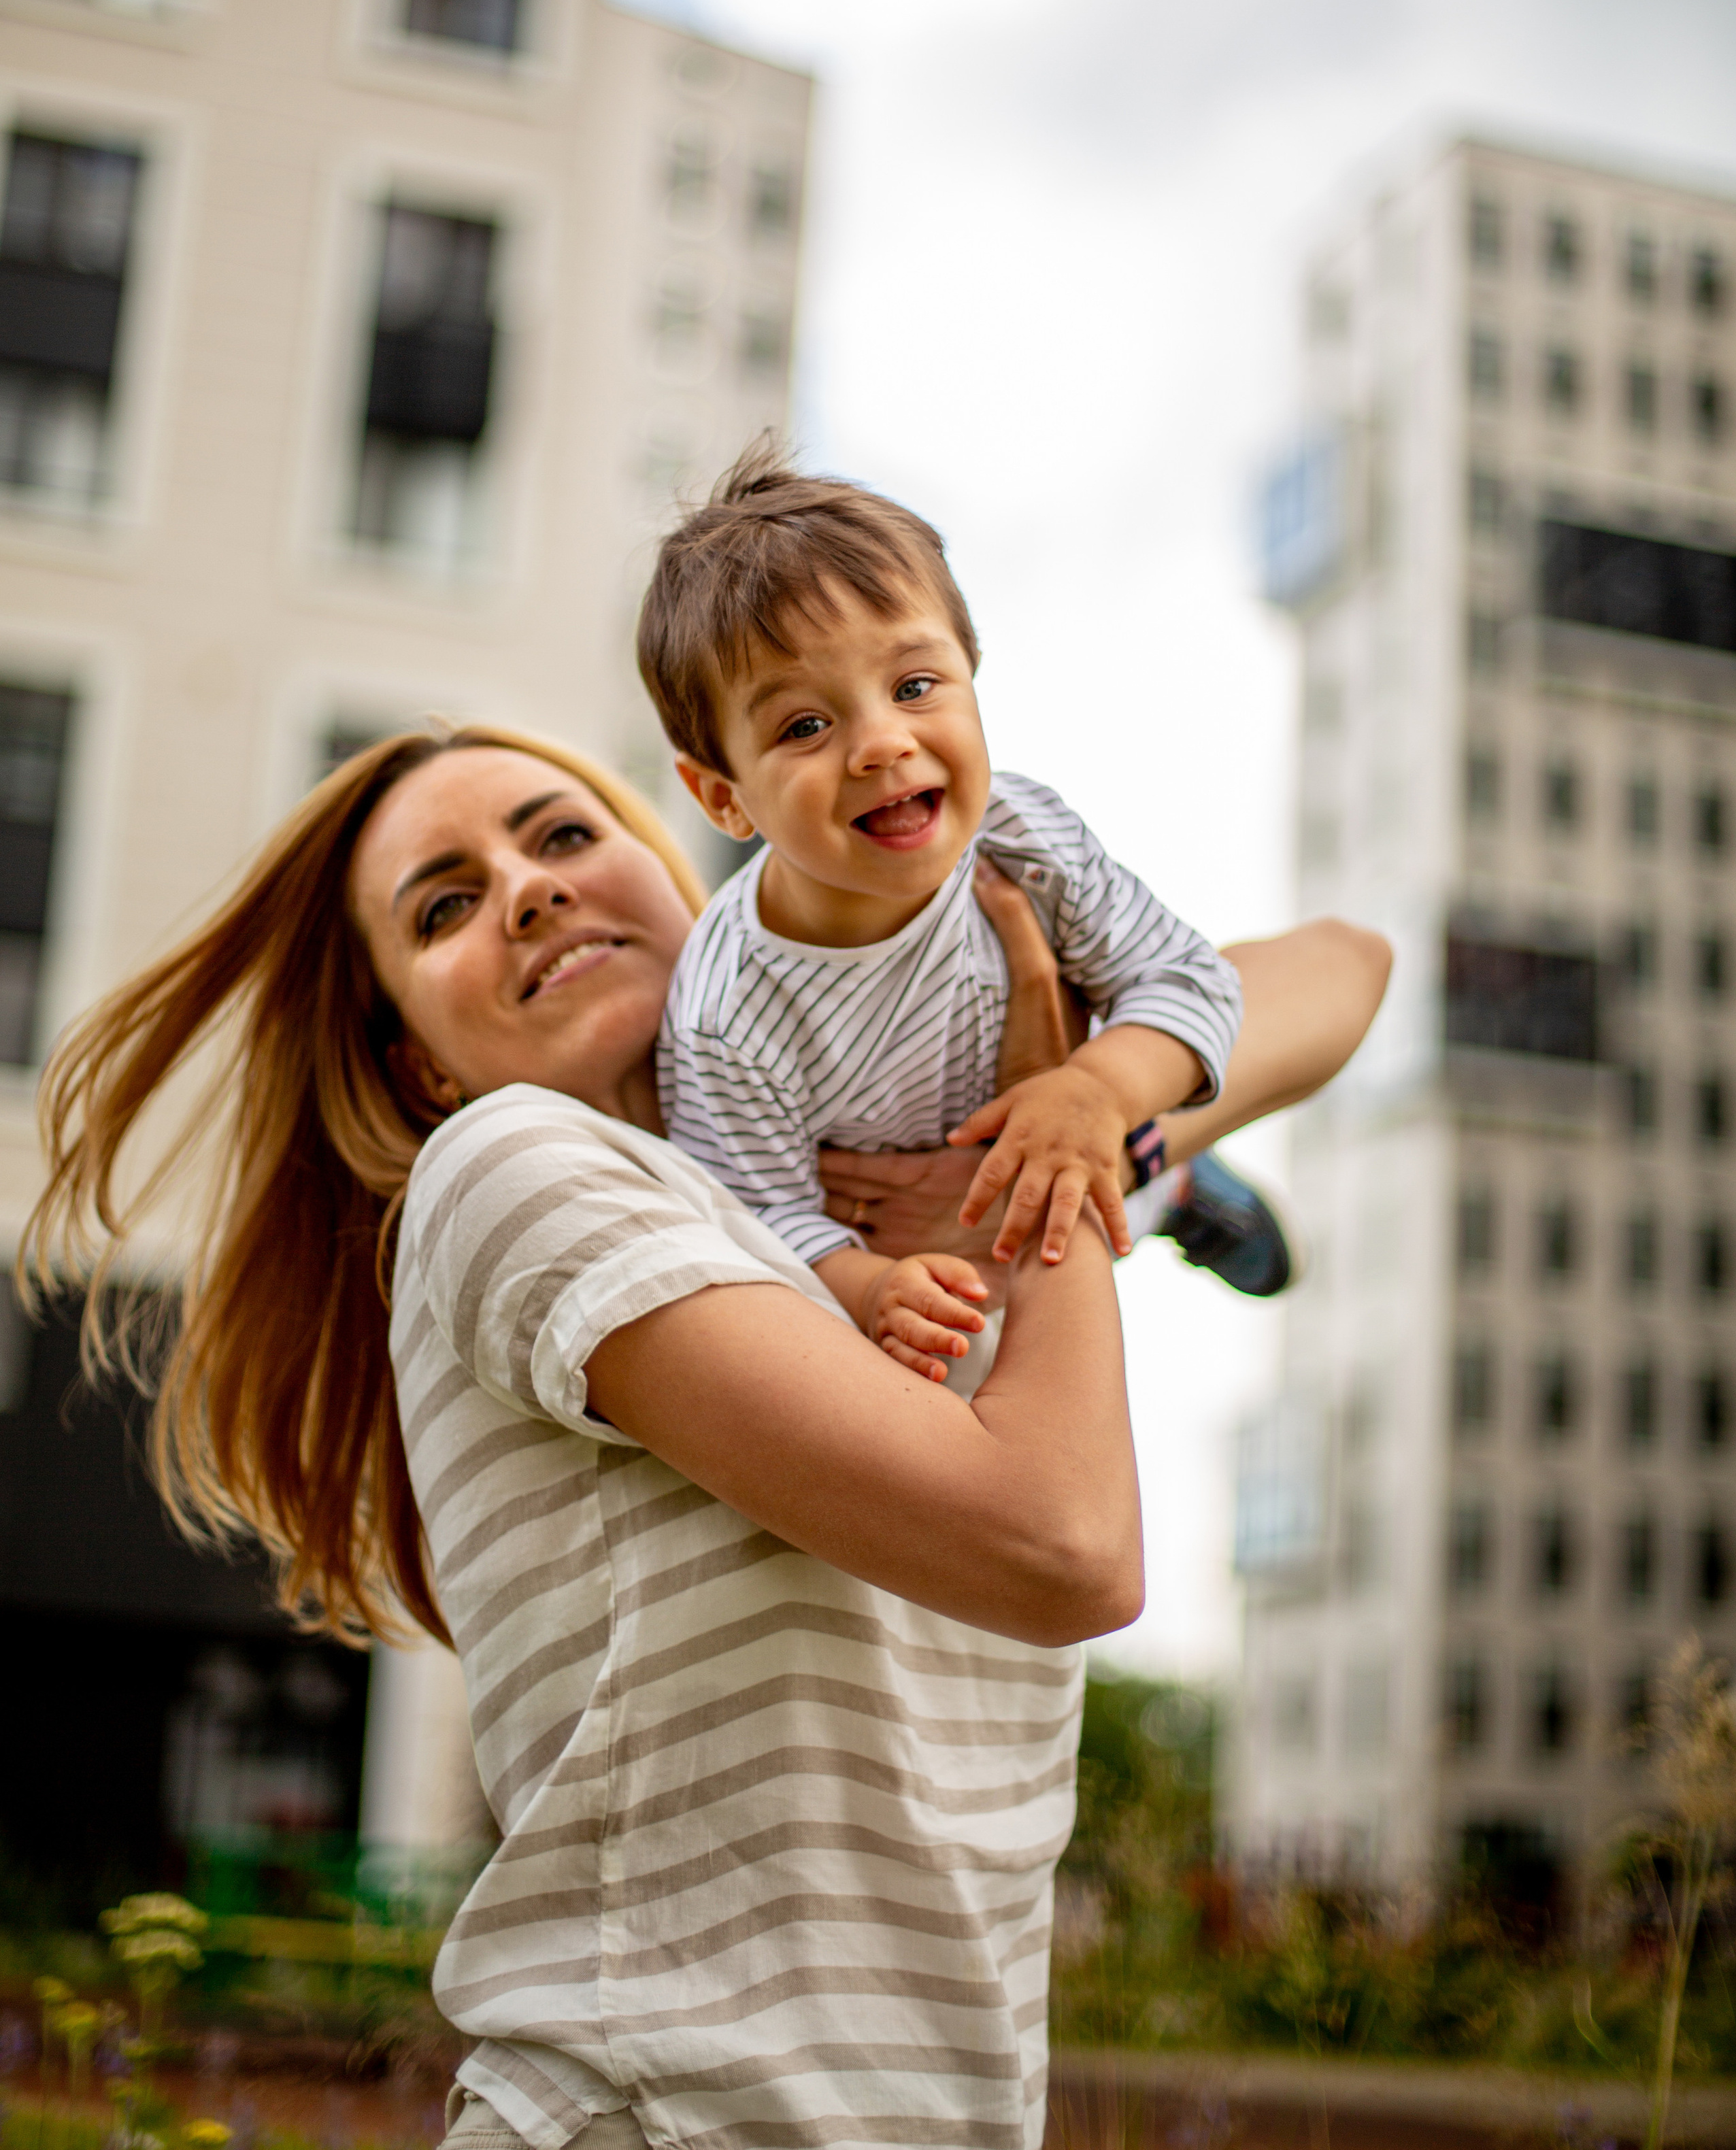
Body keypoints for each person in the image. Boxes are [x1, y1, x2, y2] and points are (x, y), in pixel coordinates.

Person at [22, 724, 1389, 2150]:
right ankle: (1173, 1191)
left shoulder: (859, 1158)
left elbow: (1343, 965)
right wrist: (1069, 1178)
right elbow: (1063, 1549)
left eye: (560, 837)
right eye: (445, 904)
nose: (527, 890)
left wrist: (1099, 1105)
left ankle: (1181, 1186)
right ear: (422, 1066)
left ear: (692, 885)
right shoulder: (510, 1170)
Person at [639, 447, 1244, 1385]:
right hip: (940, 1276)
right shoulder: (726, 1010)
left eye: (915, 686)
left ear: (971, 672)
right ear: (724, 799)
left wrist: (1100, 1091)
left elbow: (1184, 980)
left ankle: (1186, 1197)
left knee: (1134, 1162)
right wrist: (870, 1285)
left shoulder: (1018, 833)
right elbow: (758, 1214)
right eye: (804, 725)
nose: (882, 742)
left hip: (1099, 1151)